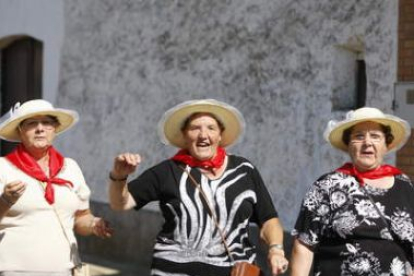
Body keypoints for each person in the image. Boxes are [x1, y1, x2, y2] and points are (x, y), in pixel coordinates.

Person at [109, 99, 288, 276]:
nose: (203, 135)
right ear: (185, 136)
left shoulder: (244, 171)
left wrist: (276, 249)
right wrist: (119, 176)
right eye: (195, 128)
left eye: (211, 128)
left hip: (235, 271)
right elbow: (120, 203)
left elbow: (268, 219)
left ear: (220, 135)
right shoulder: (167, 171)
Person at [290, 107, 414, 276]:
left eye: (375, 136)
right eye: (359, 136)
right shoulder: (327, 186)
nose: (367, 142)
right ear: (348, 145)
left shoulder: (405, 186)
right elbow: (304, 245)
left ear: (387, 144)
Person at [0, 99, 113, 276]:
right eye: (31, 124)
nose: (40, 128)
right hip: (16, 269)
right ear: (20, 131)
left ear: (55, 130)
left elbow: (81, 218)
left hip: (64, 268)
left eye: (46, 123)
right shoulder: (3, 167)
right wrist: (5, 200)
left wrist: (93, 224)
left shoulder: (70, 167)